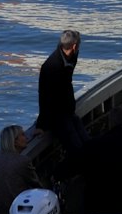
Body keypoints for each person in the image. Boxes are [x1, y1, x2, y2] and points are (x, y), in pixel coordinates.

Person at [37, 28, 88, 166]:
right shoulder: (50, 67)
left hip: (68, 109)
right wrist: (41, 124)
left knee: (86, 141)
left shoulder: (71, 57)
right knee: (76, 148)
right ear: (74, 46)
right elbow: (44, 96)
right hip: (58, 116)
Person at [0, 124, 42, 214]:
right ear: (15, 142)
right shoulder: (23, 161)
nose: (26, 138)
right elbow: (36, 185)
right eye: (23, 135)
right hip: (17, 210)